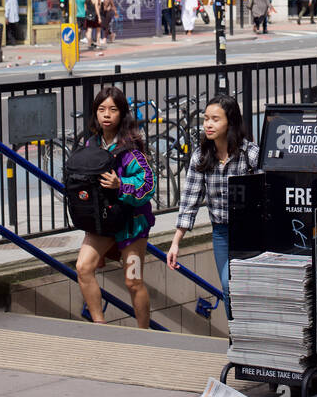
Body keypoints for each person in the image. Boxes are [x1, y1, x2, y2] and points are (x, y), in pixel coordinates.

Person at [166, 94, 259, 317]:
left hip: (252, 232)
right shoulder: (201, 156)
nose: (208, 124)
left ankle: (249, 336)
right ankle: (236, 336)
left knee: (246, 288)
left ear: (231, 122)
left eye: (215, 119)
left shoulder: (250, 154)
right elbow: (189, 200)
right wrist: (176, 242)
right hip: (222, 234)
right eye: (206, 118)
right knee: (228, 287)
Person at [74, 86, 156, 329]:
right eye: (101, 110)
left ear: (122, 114)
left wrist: (121, 184)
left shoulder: (131, 148)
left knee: (133, 282)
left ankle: (145, 334)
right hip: (102, 223)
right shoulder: (90, 144)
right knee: (82, 267)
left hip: (131, 225)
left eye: (112, 109)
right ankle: (101, 326)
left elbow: (148, 184)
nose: (106, 115)